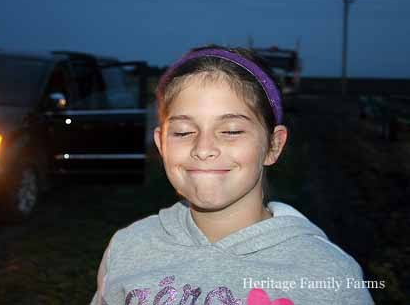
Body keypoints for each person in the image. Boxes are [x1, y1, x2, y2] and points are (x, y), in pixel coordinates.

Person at [91, 45, 374, 304]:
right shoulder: (128, 247)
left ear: (273, 146)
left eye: (231, 131)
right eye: (183, 132)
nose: (203, 149)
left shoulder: (327, 274)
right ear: (162, 143)